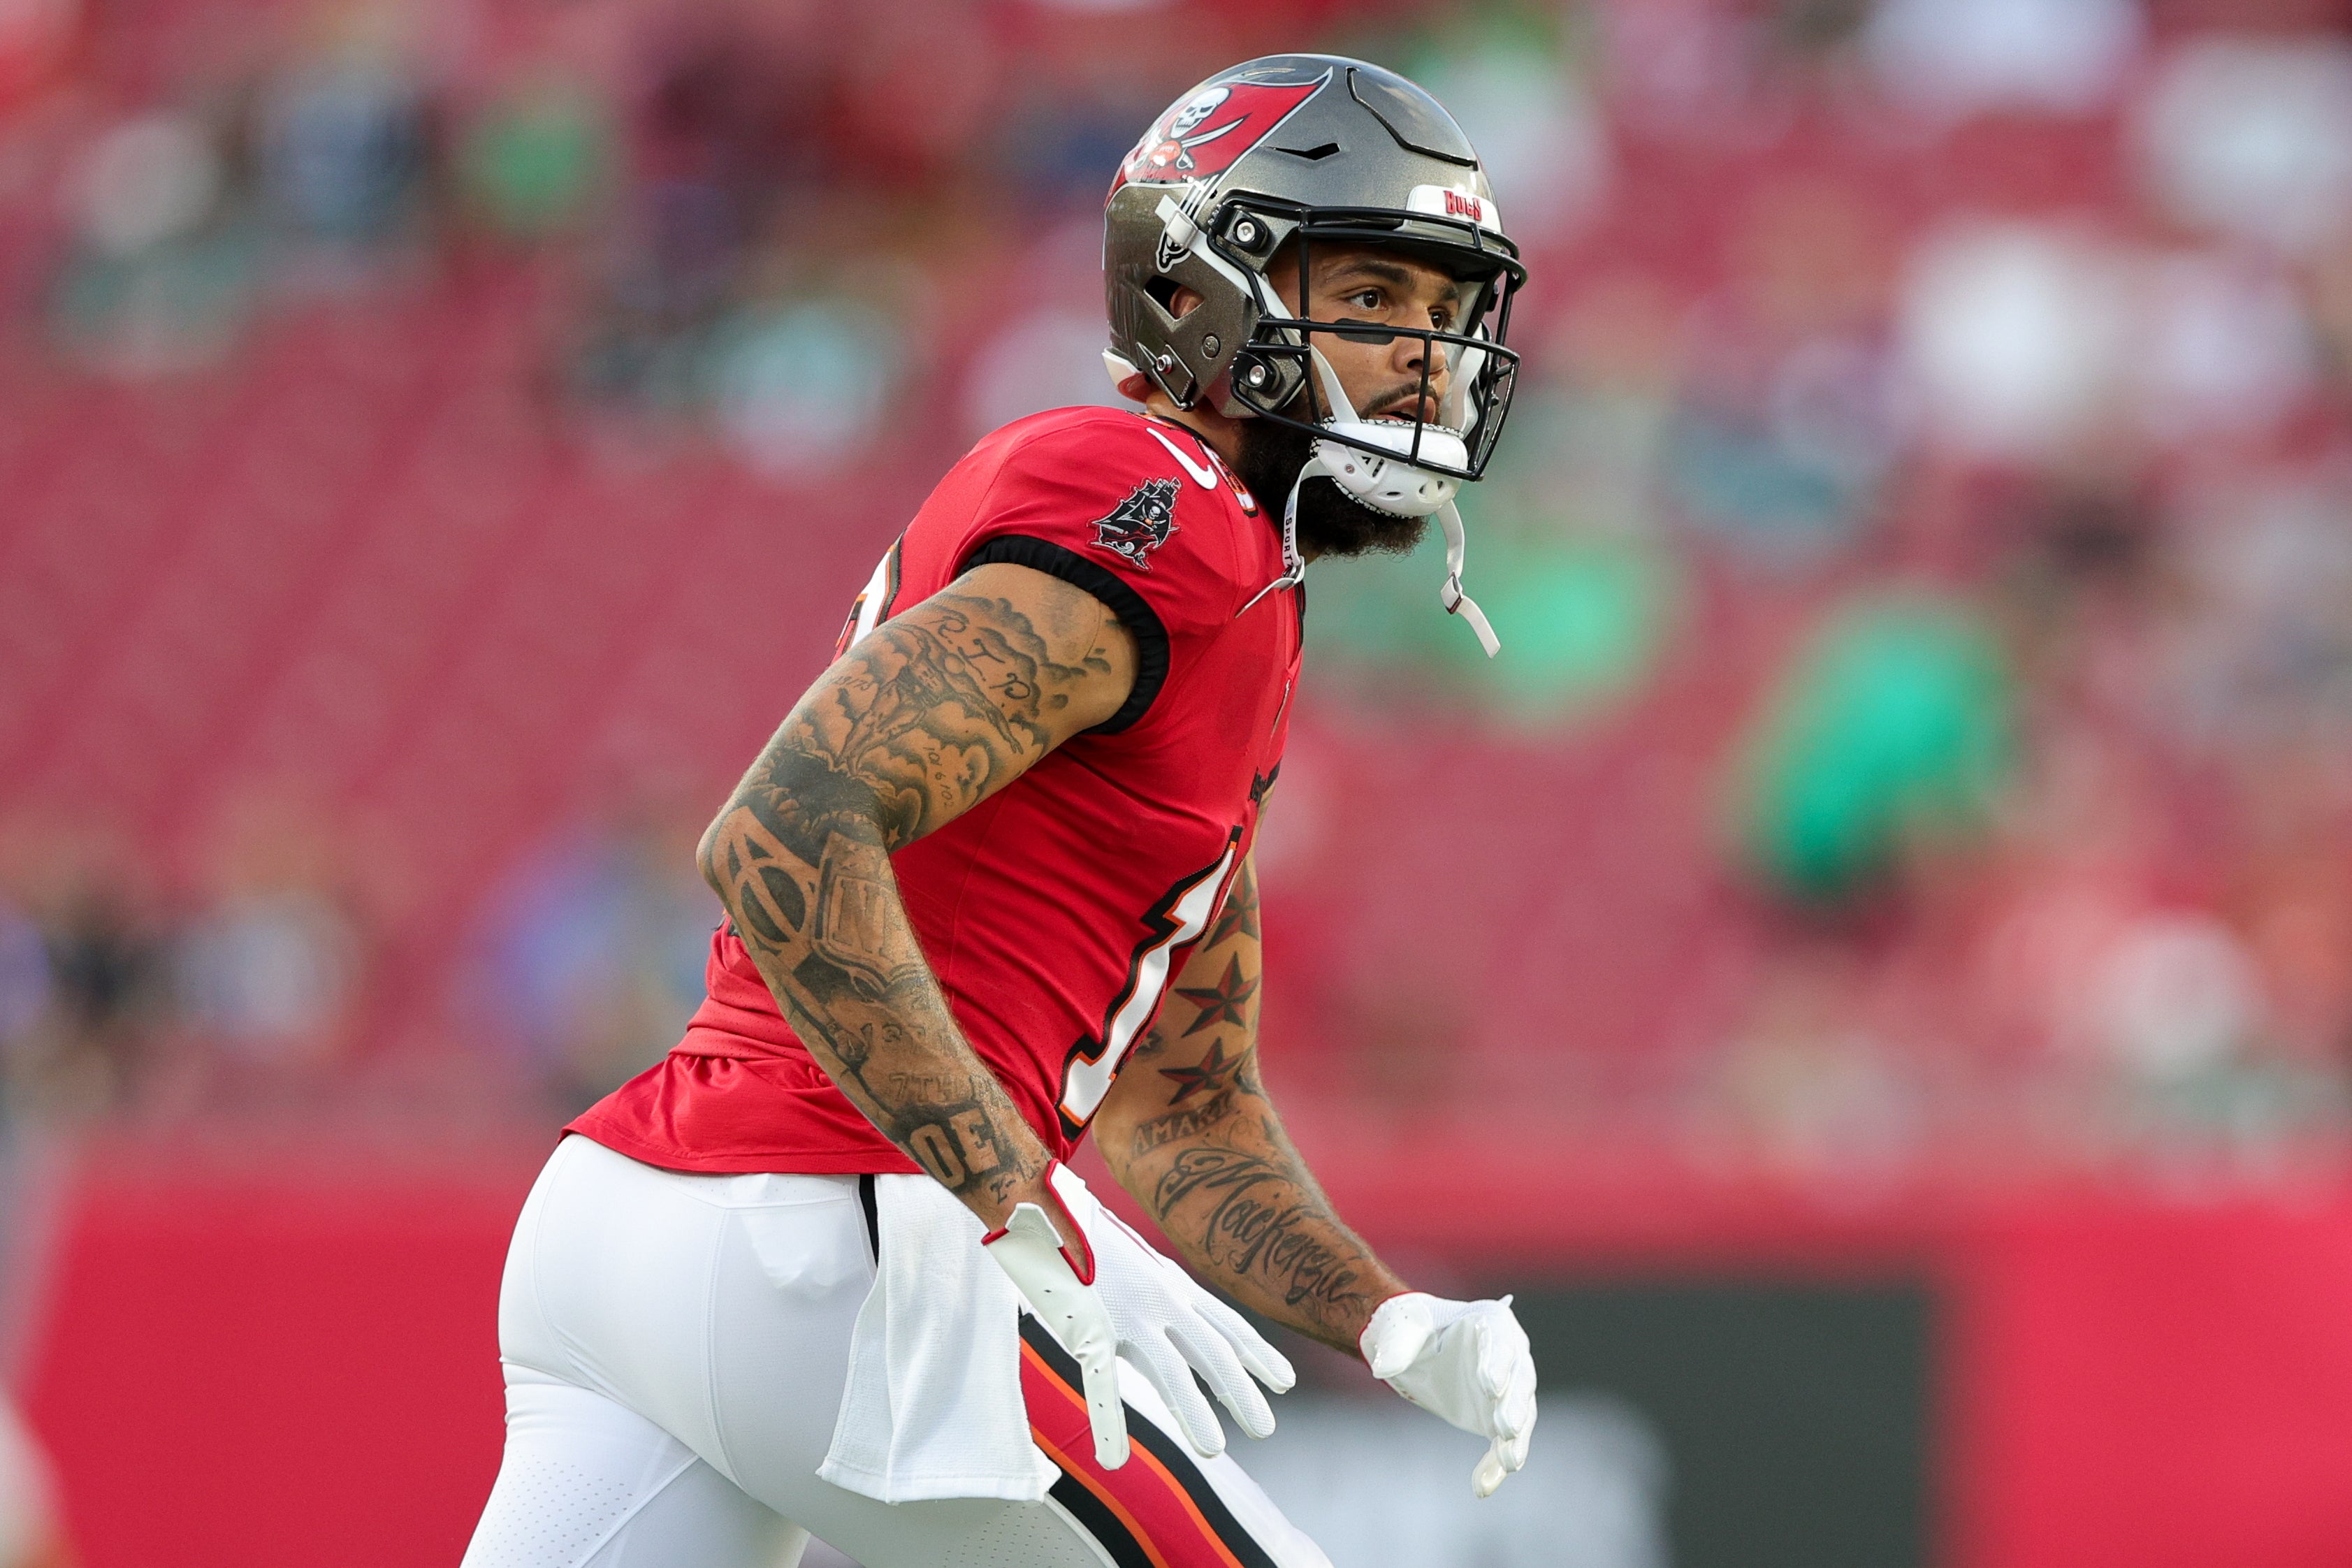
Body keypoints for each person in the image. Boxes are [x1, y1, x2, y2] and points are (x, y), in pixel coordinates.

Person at [463, 55, 1539, 1568]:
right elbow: (781, 834)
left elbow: (1179, 1103)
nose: (1425, 355)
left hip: (651, 1218)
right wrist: (1010, 1196)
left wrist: (1388, 1319)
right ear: (1197, 294)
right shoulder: (1165, 511)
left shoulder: (1235, 581)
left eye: (1443, 308)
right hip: (834, 1225)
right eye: (1371, 296)